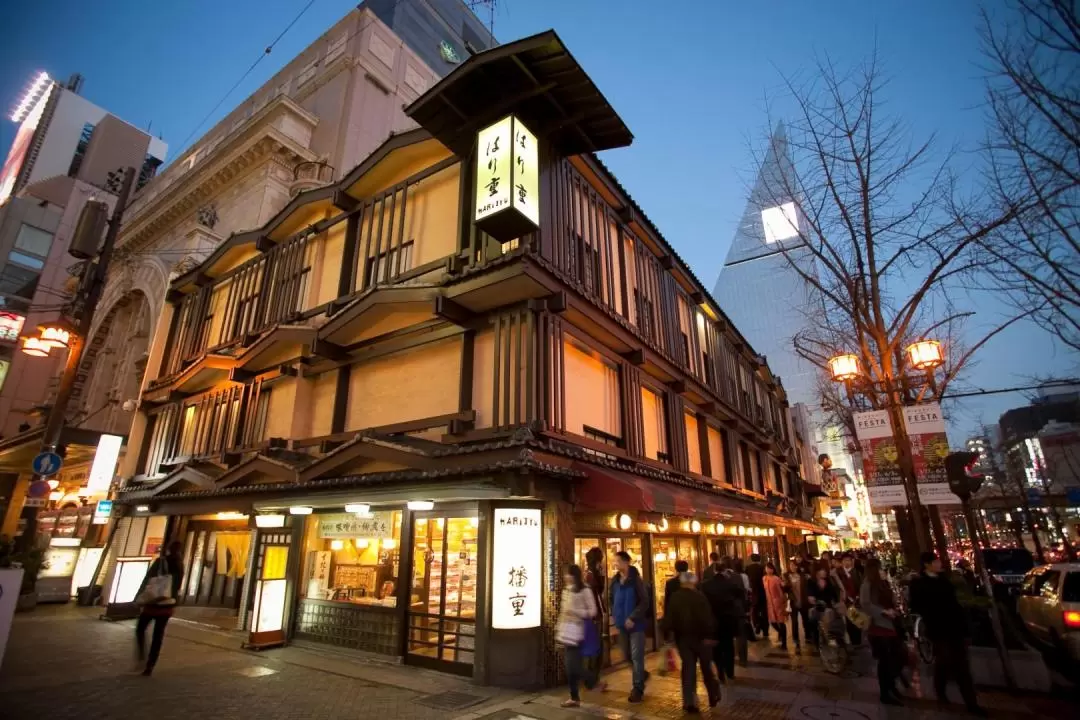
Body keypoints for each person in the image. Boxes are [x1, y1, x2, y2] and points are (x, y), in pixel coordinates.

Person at [909, 552, 985, 715]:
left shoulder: (944, 579)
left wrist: (963, 624)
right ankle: (940, 690)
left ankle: (971, 703)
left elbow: (954, 602)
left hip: (954, 626)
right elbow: (915, 606)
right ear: (927, 564)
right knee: (943, 661)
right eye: (936, 561)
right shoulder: (918, 583)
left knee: (962, 665)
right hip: (937, 628)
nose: (939, 564)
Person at [661, 572, 720, 714]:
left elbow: (669, 618)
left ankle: (689, 702)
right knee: (706, 668)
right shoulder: (700, 596)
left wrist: (667, 635)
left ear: (682, 583)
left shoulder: (675, 597)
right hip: (702, 639)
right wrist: (710, 635)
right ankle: (713, 694)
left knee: (688, 669)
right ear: (693, 583)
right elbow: (708, 618)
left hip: (684, 639)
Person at [134, 541, 184, 676]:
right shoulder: (180, 565)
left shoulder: (160, 562)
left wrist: (138, 596)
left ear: (168, 549)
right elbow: (177, 586)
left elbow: (148, 579)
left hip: (153, 602)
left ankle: (142, 656)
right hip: (168, 603)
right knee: (158, 635)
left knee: (140, 629)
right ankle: (150, 664)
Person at [860, 558, 904, 705]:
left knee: (896, 657)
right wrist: (884, 612)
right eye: (880, 568)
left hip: (890, 625)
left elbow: (891, 599)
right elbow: (865, 604)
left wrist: (896, 608)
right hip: (877, 627)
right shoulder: (867, 584)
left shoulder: (884, 583)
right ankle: (885, 692)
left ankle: (891, 686)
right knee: (885, 661)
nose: (882, 570)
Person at [556, 564, 600, 708]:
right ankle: (575, 697)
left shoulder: (585, 590)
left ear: (575, 575)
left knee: (572, 667)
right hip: (566, 633)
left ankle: (593, 681)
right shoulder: (566, 591)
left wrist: (576, 612)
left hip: (579, 633)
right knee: (570, 668)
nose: (566, 577)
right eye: (565, 574)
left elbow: (593, 611)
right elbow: (563, 612)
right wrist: (558, 630)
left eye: (568, 574)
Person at [610, 550, 649, 703]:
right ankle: (641, 675)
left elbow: (645, 601)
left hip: (636, 625)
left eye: (617, 561)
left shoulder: (636, 580)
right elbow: (610, 598)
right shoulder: (615, 581)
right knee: (626, 656)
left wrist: (633, 617)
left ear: (626, 562)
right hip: (621, 625)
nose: (615, 563)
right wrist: (614, 613)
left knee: (636, 657)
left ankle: (637, 689)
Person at [701, 558, 744, 682]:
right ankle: (730, 671)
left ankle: (720, 671)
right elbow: (740, 595)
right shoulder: (731, 583)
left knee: (716, 647)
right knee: (728, 646)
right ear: (724, 571)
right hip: (729, 620)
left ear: (714, 571)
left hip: (714, 621)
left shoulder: (706, 585)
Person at [807, 564, 842, 646]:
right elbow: (810, 598)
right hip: (817, 605)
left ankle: (831, 635)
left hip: (829, 605)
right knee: (816, 617)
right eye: (823, 570)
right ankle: (822, 637)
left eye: (825, 571)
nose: (825, 572)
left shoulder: (829, 581)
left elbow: (834, 595)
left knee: (833, 615)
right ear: (817, 572)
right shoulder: (811, 582)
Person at [834, 552, 863, 645]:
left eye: (848, 560)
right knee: (848, 622)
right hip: (845, 601)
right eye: (844, 560)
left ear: (851, 561)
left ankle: (858, 641)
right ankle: (853, 640)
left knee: (857, 620)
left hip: (856, 600)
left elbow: (860, 586)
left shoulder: (857, 573)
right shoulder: (838, 573)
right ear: (842, 562)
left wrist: (858, 596)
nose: (847, 562)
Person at [762, 563, 789, 650]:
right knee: (772, 622)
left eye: (770, 568)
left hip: (778, 602)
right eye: (767, 568)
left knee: (781, 622)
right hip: (769, 603)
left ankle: (784, 643)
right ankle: (781, 633)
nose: (768, 570)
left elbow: (782, 589)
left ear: (773, 569)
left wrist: (783, 601)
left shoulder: (777, 579)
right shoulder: (764, 578)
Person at [731, 557, 751, 665]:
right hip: (741, 608)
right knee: (741, 634)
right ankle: (743, 658)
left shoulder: (731, 577)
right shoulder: (742, 576)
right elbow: (746, 592)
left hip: (733, 610)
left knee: (737, 634)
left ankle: (737, 656)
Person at [786, 562, 809, 651]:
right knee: (794, 622)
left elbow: (806, 587)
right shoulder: (787, 576)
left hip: (803, 601)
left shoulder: (802, 576)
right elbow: (785, 589)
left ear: (797, 566)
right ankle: (795, 639)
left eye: (794, 565)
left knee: (805, 619)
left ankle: (808, 635)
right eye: (791, 565)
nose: (792, 567)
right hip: (793, 602)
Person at [745, 553, 767, 639]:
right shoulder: (763, 567)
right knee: (764, 611)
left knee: (755, 610)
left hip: (753, 592)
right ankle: (765, 630)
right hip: (763, 592)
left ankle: (757, 624)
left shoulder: (748, 568)